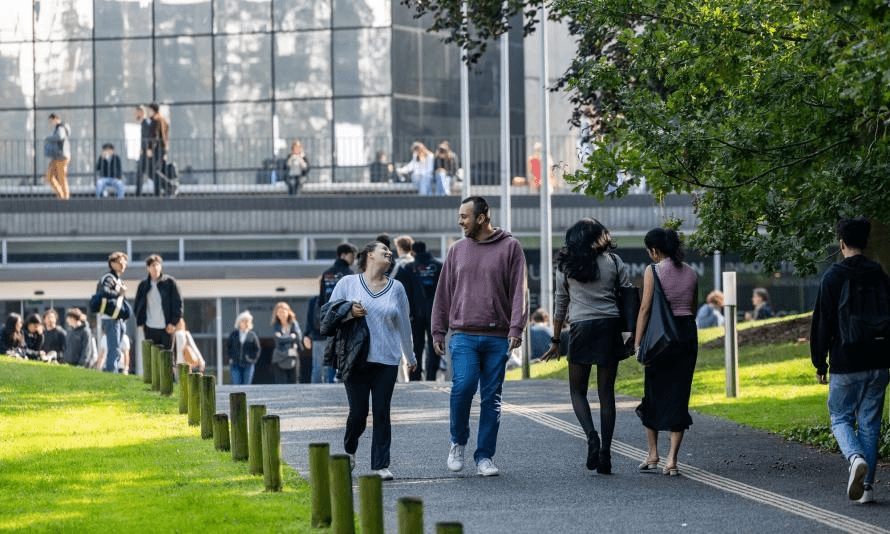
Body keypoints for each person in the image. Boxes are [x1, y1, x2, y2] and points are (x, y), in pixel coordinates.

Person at [432, 196, 528, 477]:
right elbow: (443, 292)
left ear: (483, 217)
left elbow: (519, 291)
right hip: (462, 333)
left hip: (497, 336)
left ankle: (484, 456)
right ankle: (457, 441)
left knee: (491, 397)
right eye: (460, 216)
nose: (460, 221)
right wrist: (438, 329)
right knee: (462, 387)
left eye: (465, 216)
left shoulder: (511, 247)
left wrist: (516, 328)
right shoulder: (457, 250)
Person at [542, 218, 633, 473]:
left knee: (577, 391)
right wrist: (630, 335)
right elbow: (627, 297)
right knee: (606, 395)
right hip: (610, 328)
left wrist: (556, 340)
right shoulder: (614, 262)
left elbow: (561, 303)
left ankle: (590, 435)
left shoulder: (566, 266)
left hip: (581, 329)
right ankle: (605, 454)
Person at [811, 217, 890, 504]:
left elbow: (822, 323)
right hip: (879, 361)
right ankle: (867, 489)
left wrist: (820, 363)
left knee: (841, 417)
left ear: (841, 243)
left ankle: (854, 458)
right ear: (866, 242)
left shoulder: (833, 277)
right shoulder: (881, 276)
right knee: (870, 423)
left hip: (846, 360)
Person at [323, 241, 415, 480]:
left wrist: (410, 355)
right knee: (359, 412)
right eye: (384, 251)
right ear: (369, 256)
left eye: (391, 252)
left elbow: (404, 324)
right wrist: (348, 312)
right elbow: (327, 317)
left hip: (387, 359)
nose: (389, 254)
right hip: (355, 359)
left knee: (382, 412)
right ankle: (350, 449)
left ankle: (380, 464)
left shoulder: (397, 288)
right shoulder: (347, 283)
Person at [633, 227, 698, 477]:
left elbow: (645, 309)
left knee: (653, 393)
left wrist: (638, 345)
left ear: (654, 250)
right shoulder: (691, 272)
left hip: (660, 338)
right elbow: (692, 306)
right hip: (685, 336)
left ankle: (652, 454)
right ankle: (672, 460)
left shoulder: (653, 271)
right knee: (679, 396)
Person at [314, 243, 357, 383]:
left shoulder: (327, 274)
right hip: (346, 316)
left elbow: (321, 300)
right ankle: (344, 378)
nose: (354, 259)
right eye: (352, 255)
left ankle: (330, 381)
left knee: (332, 349)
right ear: (343, 254)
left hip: (330, 316)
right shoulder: (350, 275)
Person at [406, 240, 443, 381]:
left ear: (413, 252)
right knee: (435, 345)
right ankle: (431, 376)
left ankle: (415, 376)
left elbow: (407, 292)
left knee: (417, 345)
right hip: (436, 312)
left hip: (416, 313)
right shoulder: (439, 266)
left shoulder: (409, 268)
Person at [134, 254, 183, 351]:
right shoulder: (143, 285)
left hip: (166, 328)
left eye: (157, 265)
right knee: (151, 360)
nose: (155, 268)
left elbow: (178, 304)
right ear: (148, 268)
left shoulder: (169, 283)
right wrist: (141, 322)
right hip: (149, 327)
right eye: (152, 265)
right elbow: (137, 305)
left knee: (167, 358)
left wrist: (173, 323)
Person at [97, 251, 129, 373]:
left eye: (125, 263)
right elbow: (104, 292)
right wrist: (118, 292)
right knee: (113, 348)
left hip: (118, 319)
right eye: (121, 262)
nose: (123, 265)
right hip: (110, 319)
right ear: (112, 263)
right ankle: (112, 373)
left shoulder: (118, 279)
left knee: (117, 349)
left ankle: (114, 371)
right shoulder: (109, 278)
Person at [271, 301, 304, 384]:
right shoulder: (276, 325)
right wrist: (291, 337)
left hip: (292, 355)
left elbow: (298, 338)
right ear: (276, 314)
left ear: (288, 311)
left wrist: (283, 338)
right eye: (279, 312)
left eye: (283, 311)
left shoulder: (294, 324)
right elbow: (278, 340)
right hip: (280, 356)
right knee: (280, 383)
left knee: (294, 381)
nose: (281, 313)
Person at [228, 311, 260, 385]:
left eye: (247, 321)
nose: (245, 323)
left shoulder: (252, 335)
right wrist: (231, 357)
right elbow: (228, 347)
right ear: (239, 322)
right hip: (235, 364)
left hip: (248, 364)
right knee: (236, 384)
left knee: (246, 385)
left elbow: (257, 349)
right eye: (243, 321)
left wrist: (252, 359)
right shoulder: (234, 334)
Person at [44, 113, 71, 200]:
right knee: (49, 176)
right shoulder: (57, 128)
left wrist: (48, 138)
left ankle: (65, 197)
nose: (50, 123)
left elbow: (60, 136)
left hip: (61, 157)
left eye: (51, 121)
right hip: (56, 157)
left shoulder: (61, 127)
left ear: (55, 119)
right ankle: (61, 195)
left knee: (61, 177)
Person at [146, 103, 170, 196]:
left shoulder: (156, 120)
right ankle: (165, 188)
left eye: (148, 111)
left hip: (157, 149)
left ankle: (165, 188)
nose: (147, 113)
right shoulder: (163, 119)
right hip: (162, 149)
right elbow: (166, 135)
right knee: (157, 171)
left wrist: (149, 149)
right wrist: (166, 151)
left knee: (154, 171)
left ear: (152, 110)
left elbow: (154, 136)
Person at [135, 105, 153, 196]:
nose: (135, 114)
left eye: (137, 112)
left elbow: (150, 137)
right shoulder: (143, 124)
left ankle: (167, 186)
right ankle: (138, 193)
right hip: (143, 152)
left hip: (147, 153)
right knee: (141, 173)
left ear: (142, 112)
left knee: (151, 173)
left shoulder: (147, 124)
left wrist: (149, 148)